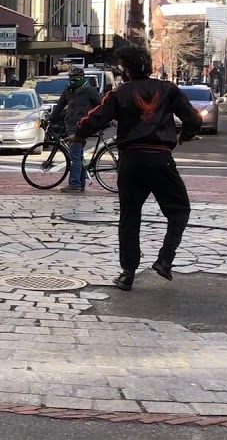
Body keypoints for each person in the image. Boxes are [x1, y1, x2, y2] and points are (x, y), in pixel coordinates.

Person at [77, 46, 201, 291]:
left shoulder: (120, 93)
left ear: (127, 68)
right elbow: (193, 118)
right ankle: (165, 259)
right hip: (160, 158)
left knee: (130, 216)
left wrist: (79, 134)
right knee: (179, 210)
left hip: (131, 159)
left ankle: (128, 273)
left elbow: (95, 118)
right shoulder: (168, 90)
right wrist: (185, 134)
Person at [48, 66, 102, 193]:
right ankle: (80, 182)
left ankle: (75, 184)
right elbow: (60, 105)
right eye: (71, 78)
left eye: (76, 78)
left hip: (81, 126)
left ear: (82, 78)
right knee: (78, 155)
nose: (73, 80)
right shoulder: (68, 90)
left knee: (75, 156)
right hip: (70, 125)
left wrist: (98, 119)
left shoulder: (89, 90)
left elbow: (101, 105)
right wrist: (51, 118)